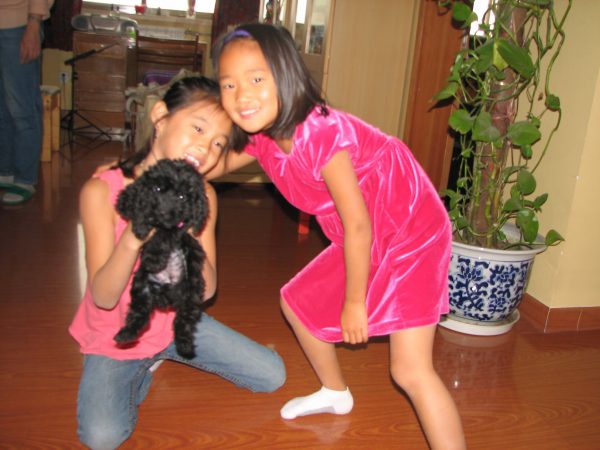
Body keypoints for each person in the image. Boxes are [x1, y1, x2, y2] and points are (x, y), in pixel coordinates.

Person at [210, 24, 466, 450]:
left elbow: (358, 225)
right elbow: (214, 165)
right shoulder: (265, 138)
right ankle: (334, 393)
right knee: (297, 303)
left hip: (409, 229)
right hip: (364, 231)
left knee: (410, 370)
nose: (242, 95)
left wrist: (354, 301)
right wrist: (160, 167)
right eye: (229, 84)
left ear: (286, 74)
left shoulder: (321, 132)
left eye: (257, 79)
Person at [69, 76, 286, 450]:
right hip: (116, 336)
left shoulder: (204, 194)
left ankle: (157, 355)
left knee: (272, 375)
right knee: (102, 438)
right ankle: (142, 366)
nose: (206, 147)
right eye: (198, 128)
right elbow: (103, 297)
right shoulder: (100, 191)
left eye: (218, 143)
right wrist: (134, 239)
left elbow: (207, 289)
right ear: (161, 117)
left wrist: (185, 236)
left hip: (175, 323)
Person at [0, 0, 53, 205]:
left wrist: (33, 23)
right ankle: (5, 171)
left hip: (19, 24)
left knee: (21, 107)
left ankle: (24, 179)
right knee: (2, 108)